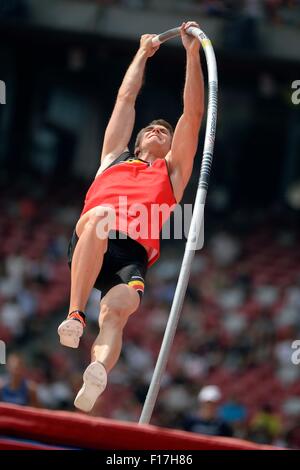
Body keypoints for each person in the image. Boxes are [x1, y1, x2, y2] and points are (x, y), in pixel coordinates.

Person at [58, 21, 204, 413]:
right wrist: (142, 53)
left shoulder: (173, 173)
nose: (159, 129)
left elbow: (193, 114)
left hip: (133, 255)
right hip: (96, 235)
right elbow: (125, 99)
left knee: (118, 312)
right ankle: (74, 313)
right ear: (137, 141)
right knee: (100, 215)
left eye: (165, 131)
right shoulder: (114, 158)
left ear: (172, 146)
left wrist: (192, 54)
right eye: (152, 128)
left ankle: (97, 372)